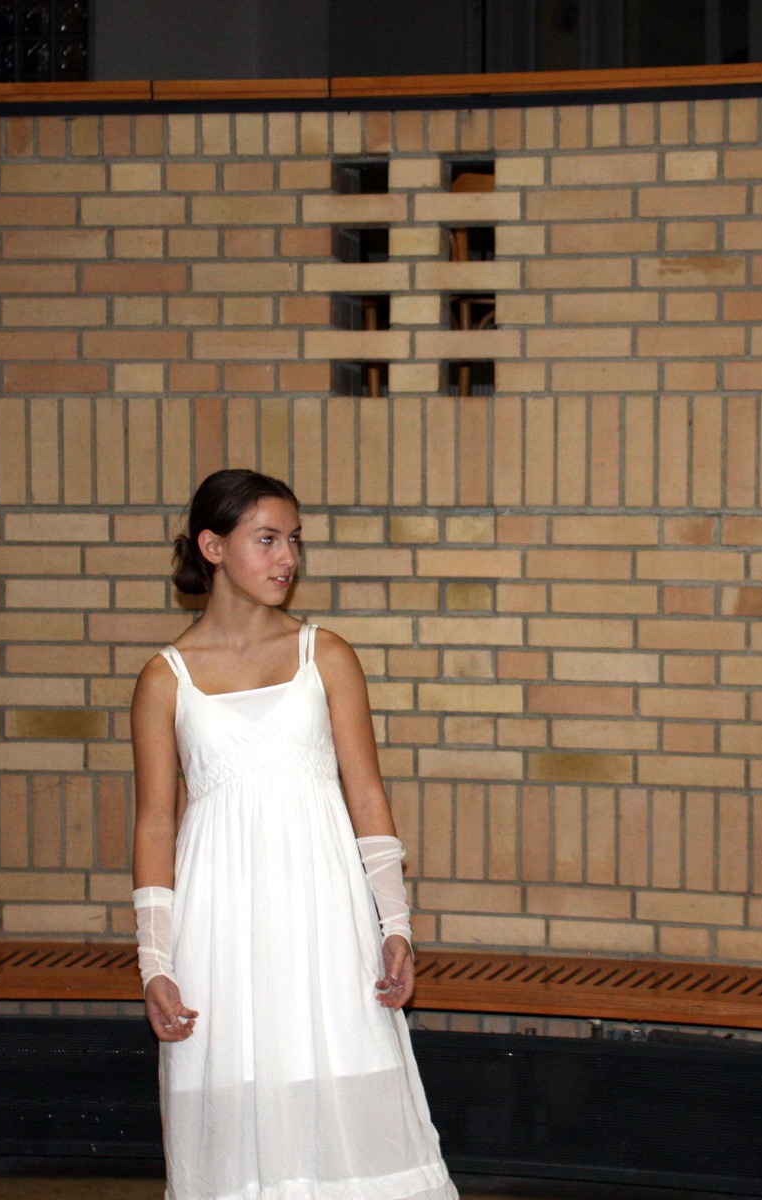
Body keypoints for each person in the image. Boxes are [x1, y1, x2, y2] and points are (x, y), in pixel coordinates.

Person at [130, 468, 457, 1200]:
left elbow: (366, 795)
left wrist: (395, 925)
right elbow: (154, 824)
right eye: (268, 539)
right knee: (234, 1088)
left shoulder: (326, 656)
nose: (288, 558)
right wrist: (155, 960)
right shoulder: (164, 679)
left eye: (294, 541)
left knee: (343, 1075)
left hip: (323, 913)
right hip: (219, 922)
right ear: (213, 547)